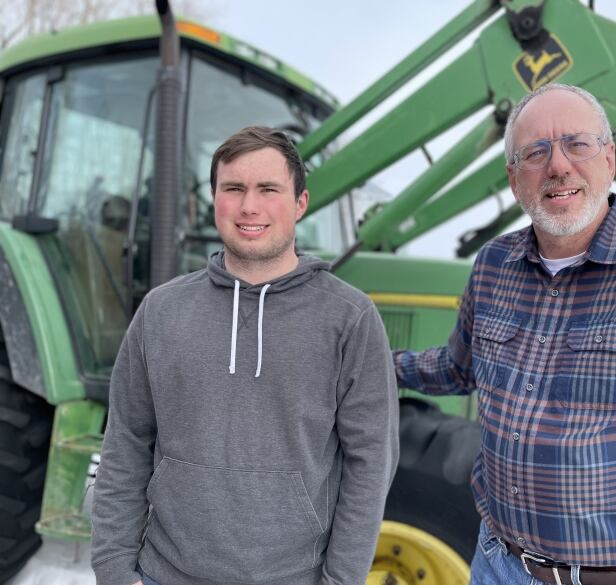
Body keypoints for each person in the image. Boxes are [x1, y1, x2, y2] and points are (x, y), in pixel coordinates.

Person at [394, 84, 616, 585]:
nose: (558, 166)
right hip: (497, 563)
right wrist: (374, 360)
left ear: (609, 158)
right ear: (514, 177)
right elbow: (459, 366)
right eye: (535, 152)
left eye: (577, 144)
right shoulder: (494, 264)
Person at [91, 126, 399, 585]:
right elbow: (126, 444)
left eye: (268, 190)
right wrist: (115, 571)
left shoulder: (349, 318)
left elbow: (371, 464)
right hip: (164, 574)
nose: (249, 206)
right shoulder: (161, 310)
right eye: (233, 189)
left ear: (300, 203)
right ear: (214, 200)